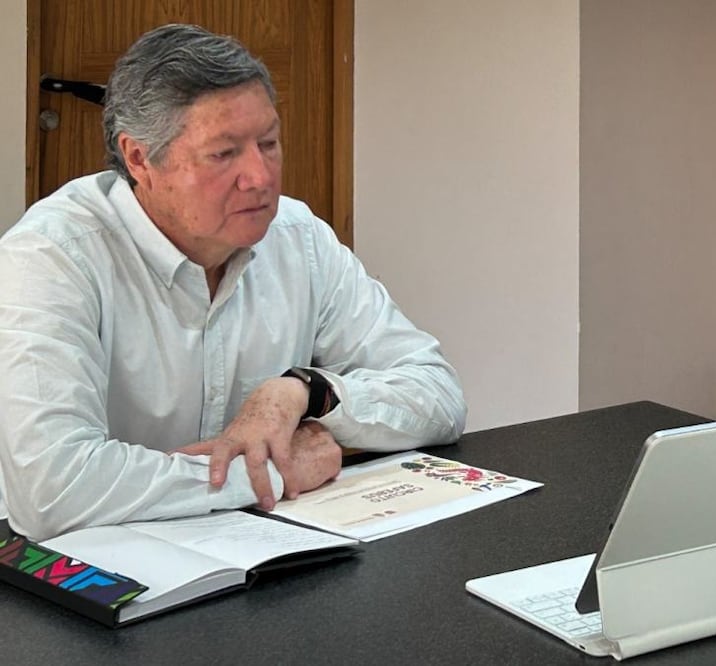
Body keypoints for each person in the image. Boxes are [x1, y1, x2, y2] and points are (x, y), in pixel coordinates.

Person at [0, 24, 466, 541]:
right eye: (224, 154)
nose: (261, 177)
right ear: (138, 159)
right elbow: (52, 490)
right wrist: (261, 472)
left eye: (268, 143)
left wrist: (306, 392)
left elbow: (440, 396)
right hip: (86, 579)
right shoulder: (51, 256)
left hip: (259, 554)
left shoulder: (299, 238)